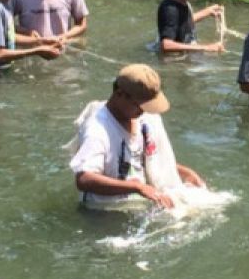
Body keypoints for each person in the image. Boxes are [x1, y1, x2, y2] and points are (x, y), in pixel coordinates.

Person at [70, 64, 205, 209]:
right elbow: (83, 179)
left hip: (142, 201)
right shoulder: (97, 129)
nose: (143, 112)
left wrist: (184, 172)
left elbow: (144, 159)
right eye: (140, 106)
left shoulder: (144, 119)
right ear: (120, 94)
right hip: (105, 210)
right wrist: (136, 187)